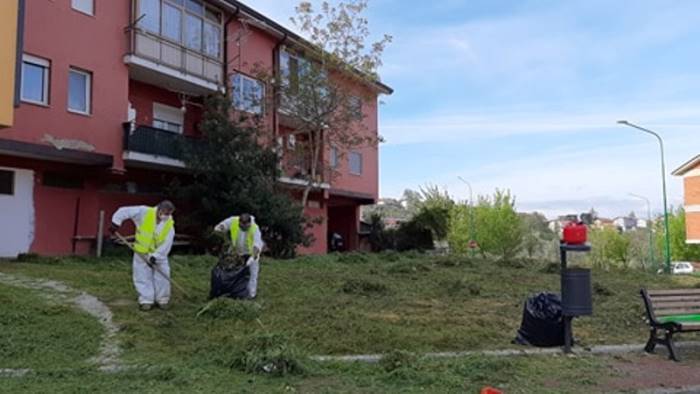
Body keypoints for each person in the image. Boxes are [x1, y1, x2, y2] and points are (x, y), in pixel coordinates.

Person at [110, 200, 175, 311]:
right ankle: (146, 300)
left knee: (163, 276)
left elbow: (167, 243)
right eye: (165, 213)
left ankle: (162, 300)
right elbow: (123, 211)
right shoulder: (143, 212)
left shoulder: (169, 224)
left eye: (169, 214)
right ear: (159, 209)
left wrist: (156, 256)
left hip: (159, 254)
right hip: (141, 251)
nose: (166, 216)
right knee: (142, 276)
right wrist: (115, 223)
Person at [214, 213, 263, 298]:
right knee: (232, 272)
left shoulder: (255, 229)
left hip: (251, 254)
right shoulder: (232, 221)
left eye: (245, 227)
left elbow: (257, 247)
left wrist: (251, 259)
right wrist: (226, 239)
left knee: (252, 274)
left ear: (249, 224)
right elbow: (218, 229)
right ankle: (231, 291)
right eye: (241, 226)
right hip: (236, 253)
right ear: (239, 222)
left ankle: (251, 295)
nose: (243, 228)